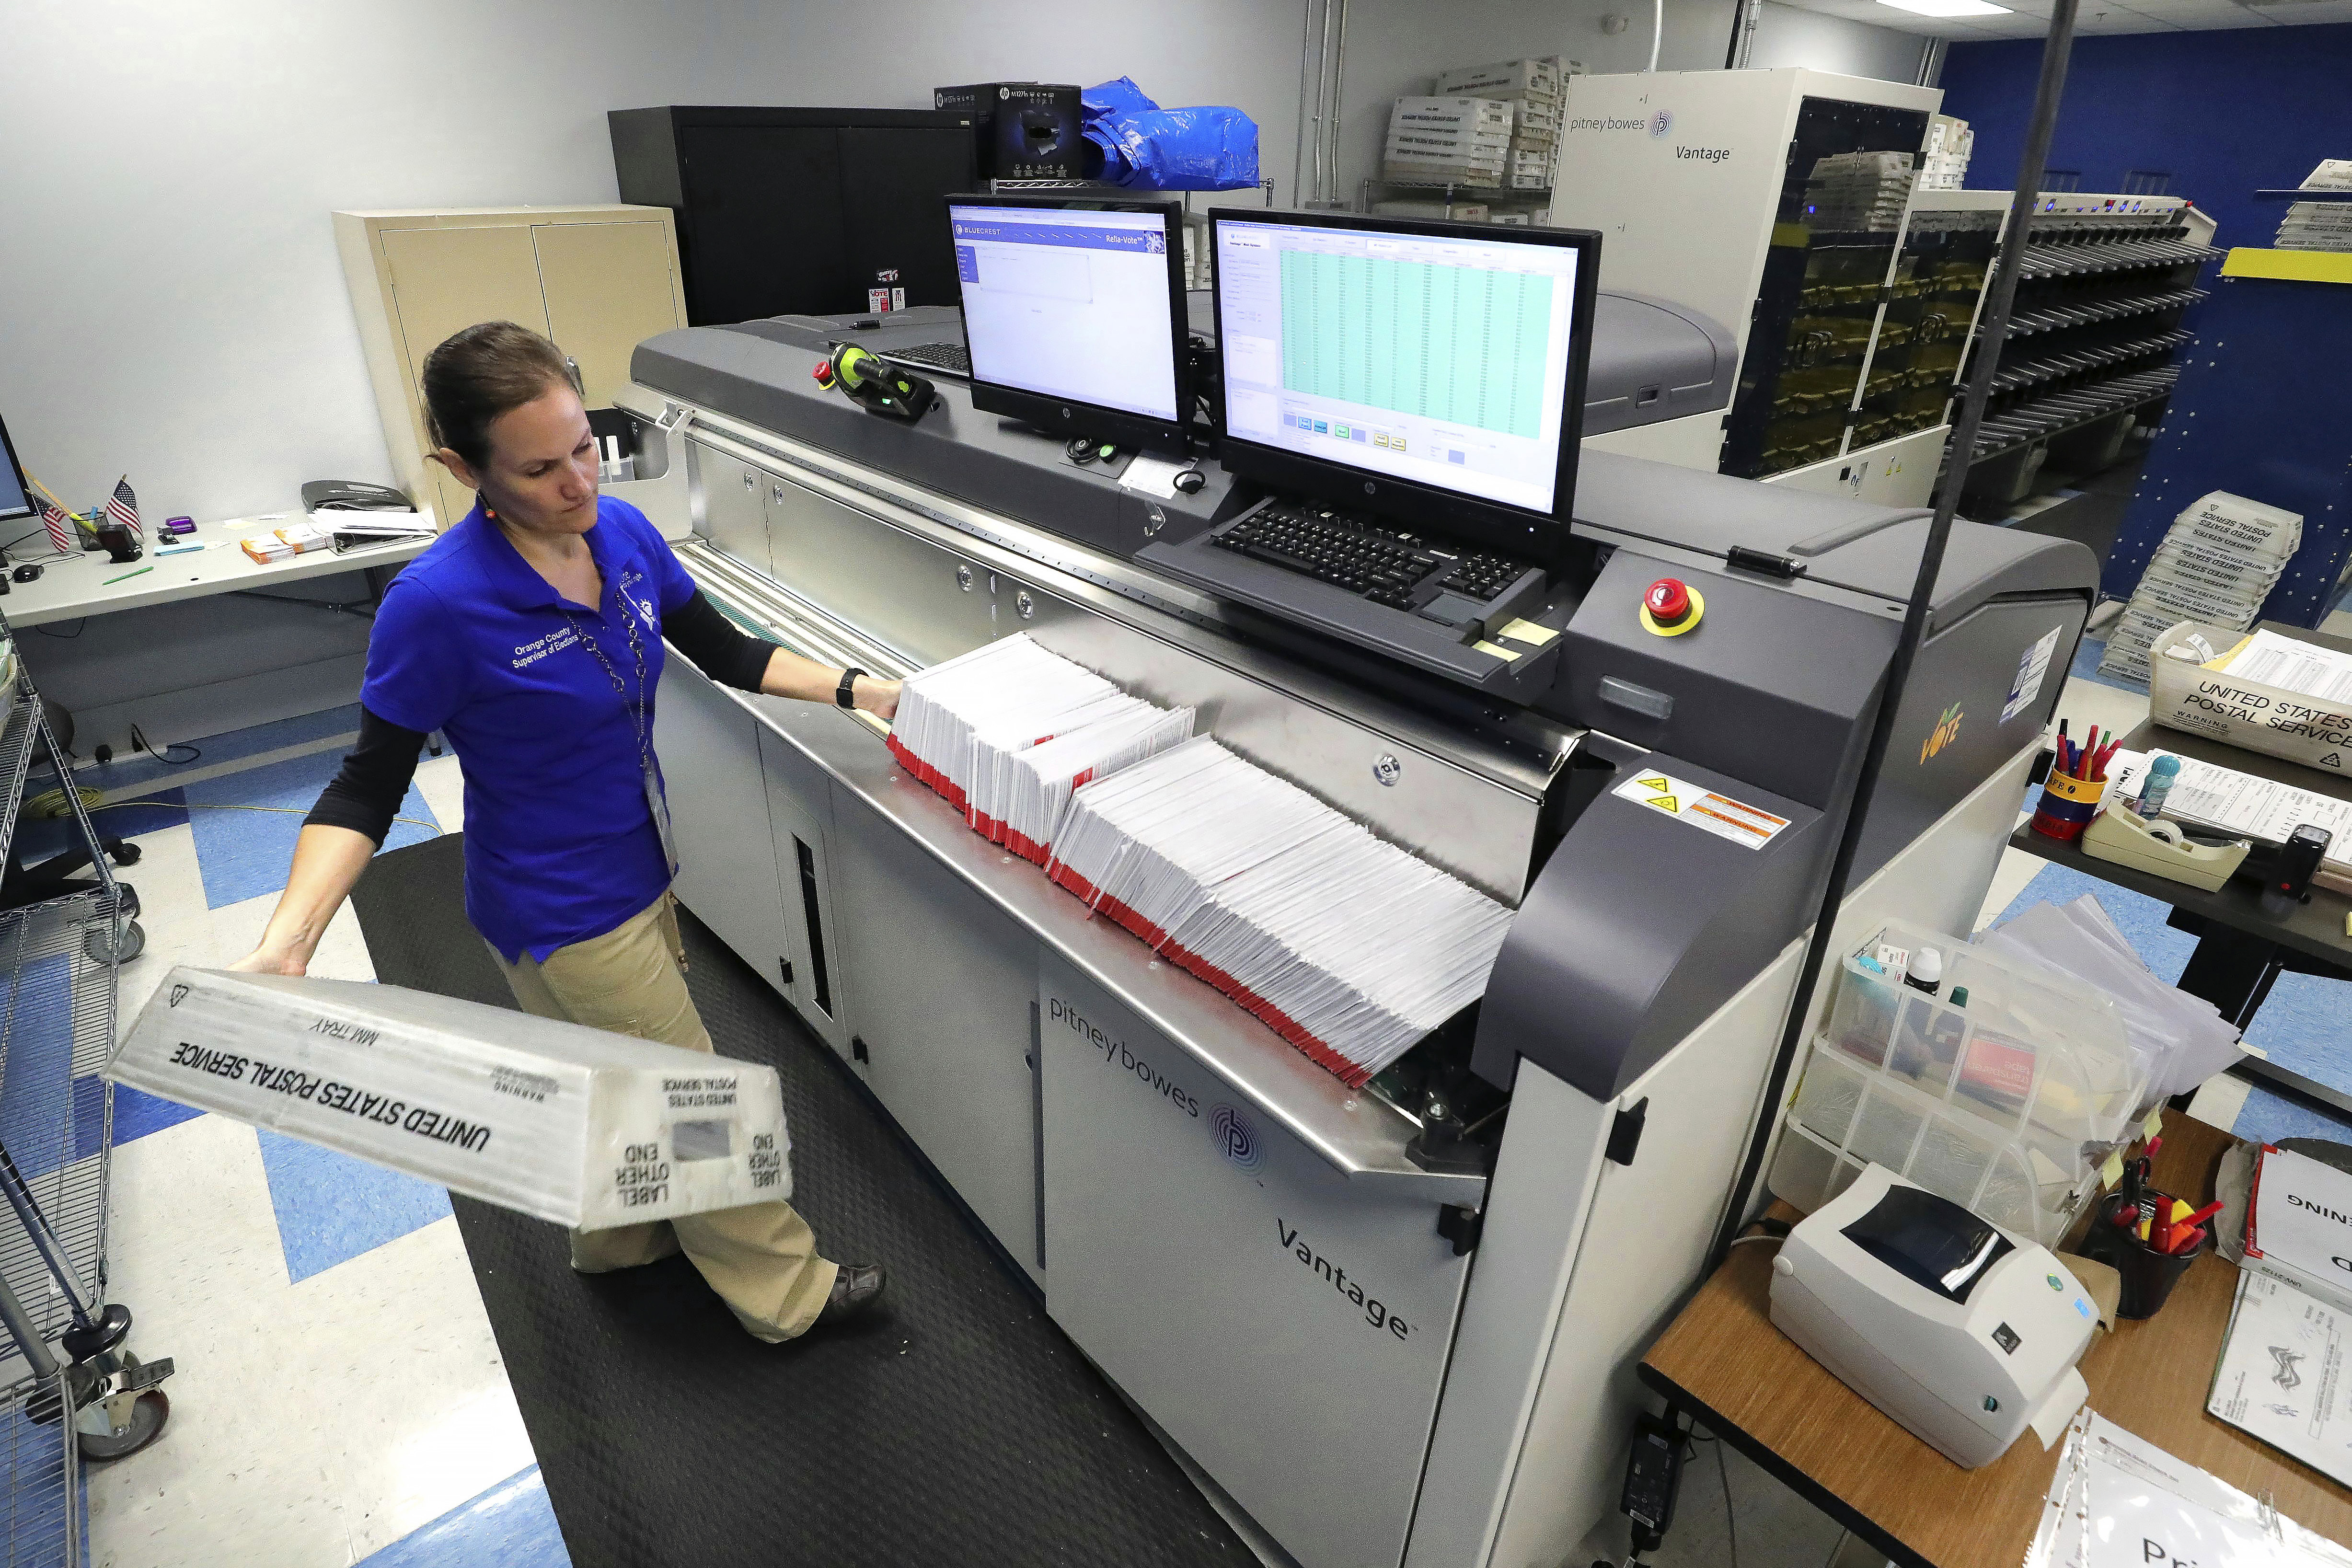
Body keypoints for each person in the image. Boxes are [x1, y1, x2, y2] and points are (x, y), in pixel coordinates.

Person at [232, 320, 895, 1342]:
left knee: (612, 1074)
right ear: (462, 468)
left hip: (636, 862)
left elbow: (723, 648)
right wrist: (289, 942)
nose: (577, 483)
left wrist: (864, 691)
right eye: (540, 469)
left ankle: (623, 1241)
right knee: (697, 1105)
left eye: (584, 446)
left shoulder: (622, 533)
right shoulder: (438, 605)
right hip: (563, 901)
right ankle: (788, 1297)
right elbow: (368, 785)